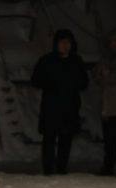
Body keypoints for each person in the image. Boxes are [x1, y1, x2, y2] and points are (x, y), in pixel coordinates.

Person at [31, 29, 89, 175]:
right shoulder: (47, 60)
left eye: (68, 42)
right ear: (56, 44)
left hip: (69, 107)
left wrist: (72, 84)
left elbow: (84, 82)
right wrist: (51, 83)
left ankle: (62, 169)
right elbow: (36, 80)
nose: (65, 46)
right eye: (62, 42)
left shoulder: (76, 61)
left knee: (66, 139)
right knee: (49, 139)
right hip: (51, 107)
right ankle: (48, 170)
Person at [94, 29, 116, 176]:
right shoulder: (105, 60)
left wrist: (107, 76)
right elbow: (97, 76)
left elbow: (107, 78)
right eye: (114, 41)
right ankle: (108, 167)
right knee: (109, 140)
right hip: (108, 108)